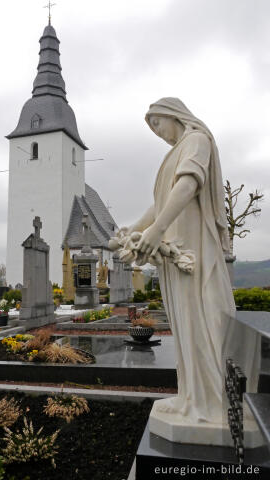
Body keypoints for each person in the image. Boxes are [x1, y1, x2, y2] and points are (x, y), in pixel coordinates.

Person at [123, 98, 259, 427]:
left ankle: (213, 403)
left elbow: (187, 186)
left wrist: (156, 231)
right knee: (185, 324)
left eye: (157, 124)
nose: (158, 133)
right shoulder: (178, 150)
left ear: (173, 115)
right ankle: (191, 396)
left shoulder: (197, 140)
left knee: (201, 320)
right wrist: (139, 227)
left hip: (194, 251)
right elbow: (163, 202)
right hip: (176, 253)